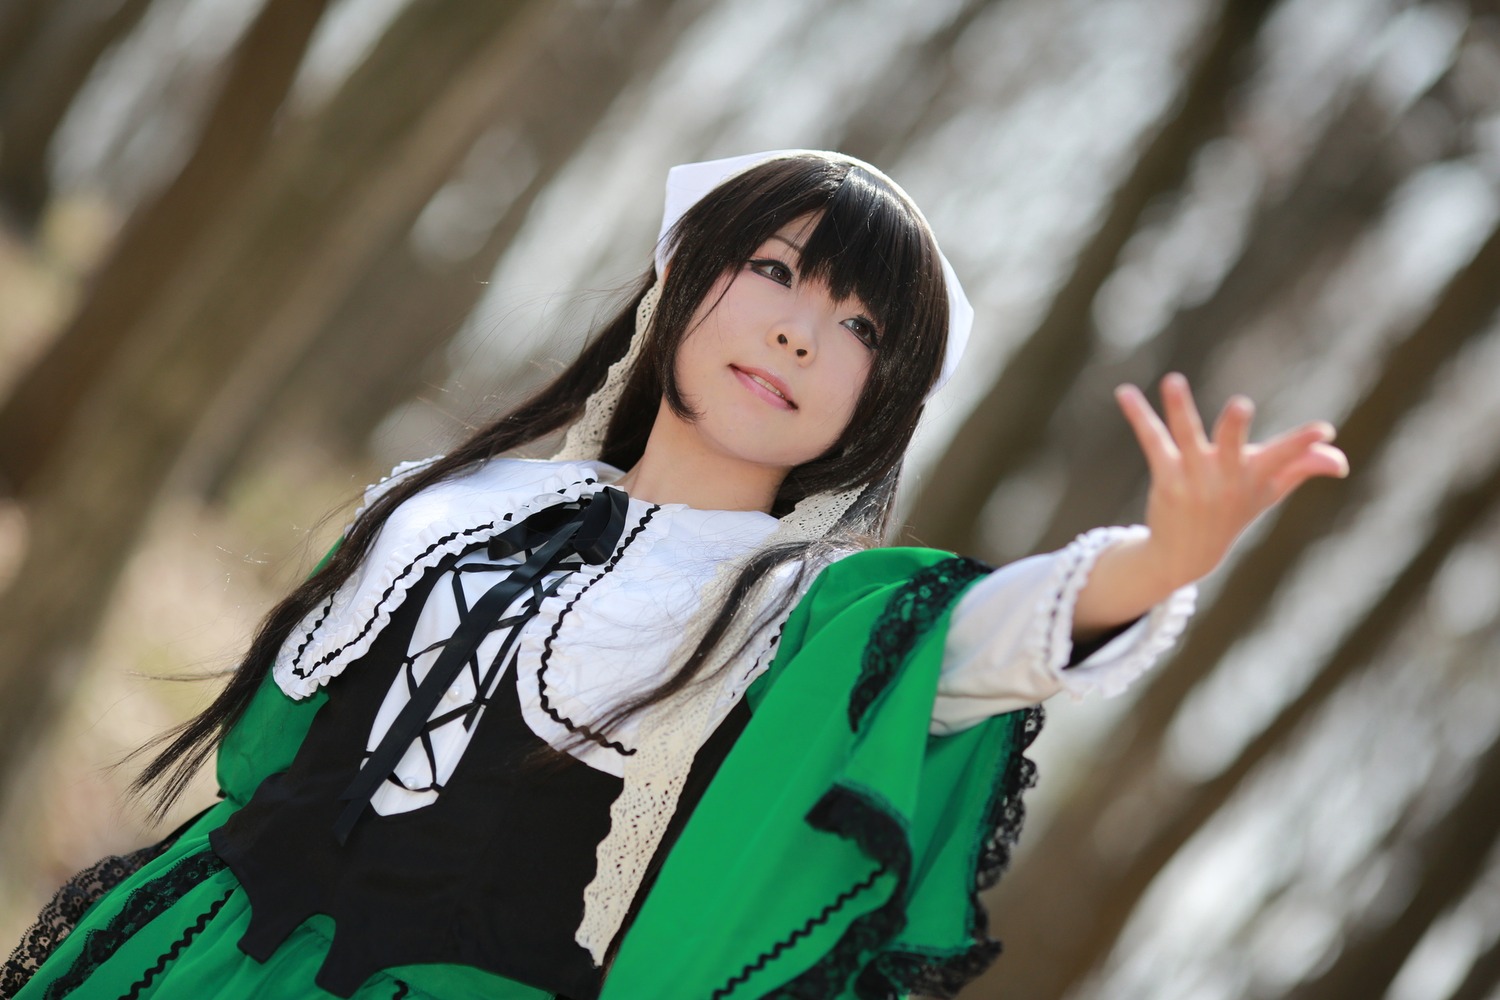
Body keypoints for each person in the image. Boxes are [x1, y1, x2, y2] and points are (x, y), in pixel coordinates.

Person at [2, 150, 1347, 1000]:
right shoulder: (459, 500)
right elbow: (274, 750)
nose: (799, 330)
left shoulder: (797, 610)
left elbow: (979, 640)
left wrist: (1161, 558)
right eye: (774, 269)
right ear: (679, 282)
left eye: (861, 326)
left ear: (880, 402)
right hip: (194, 953)